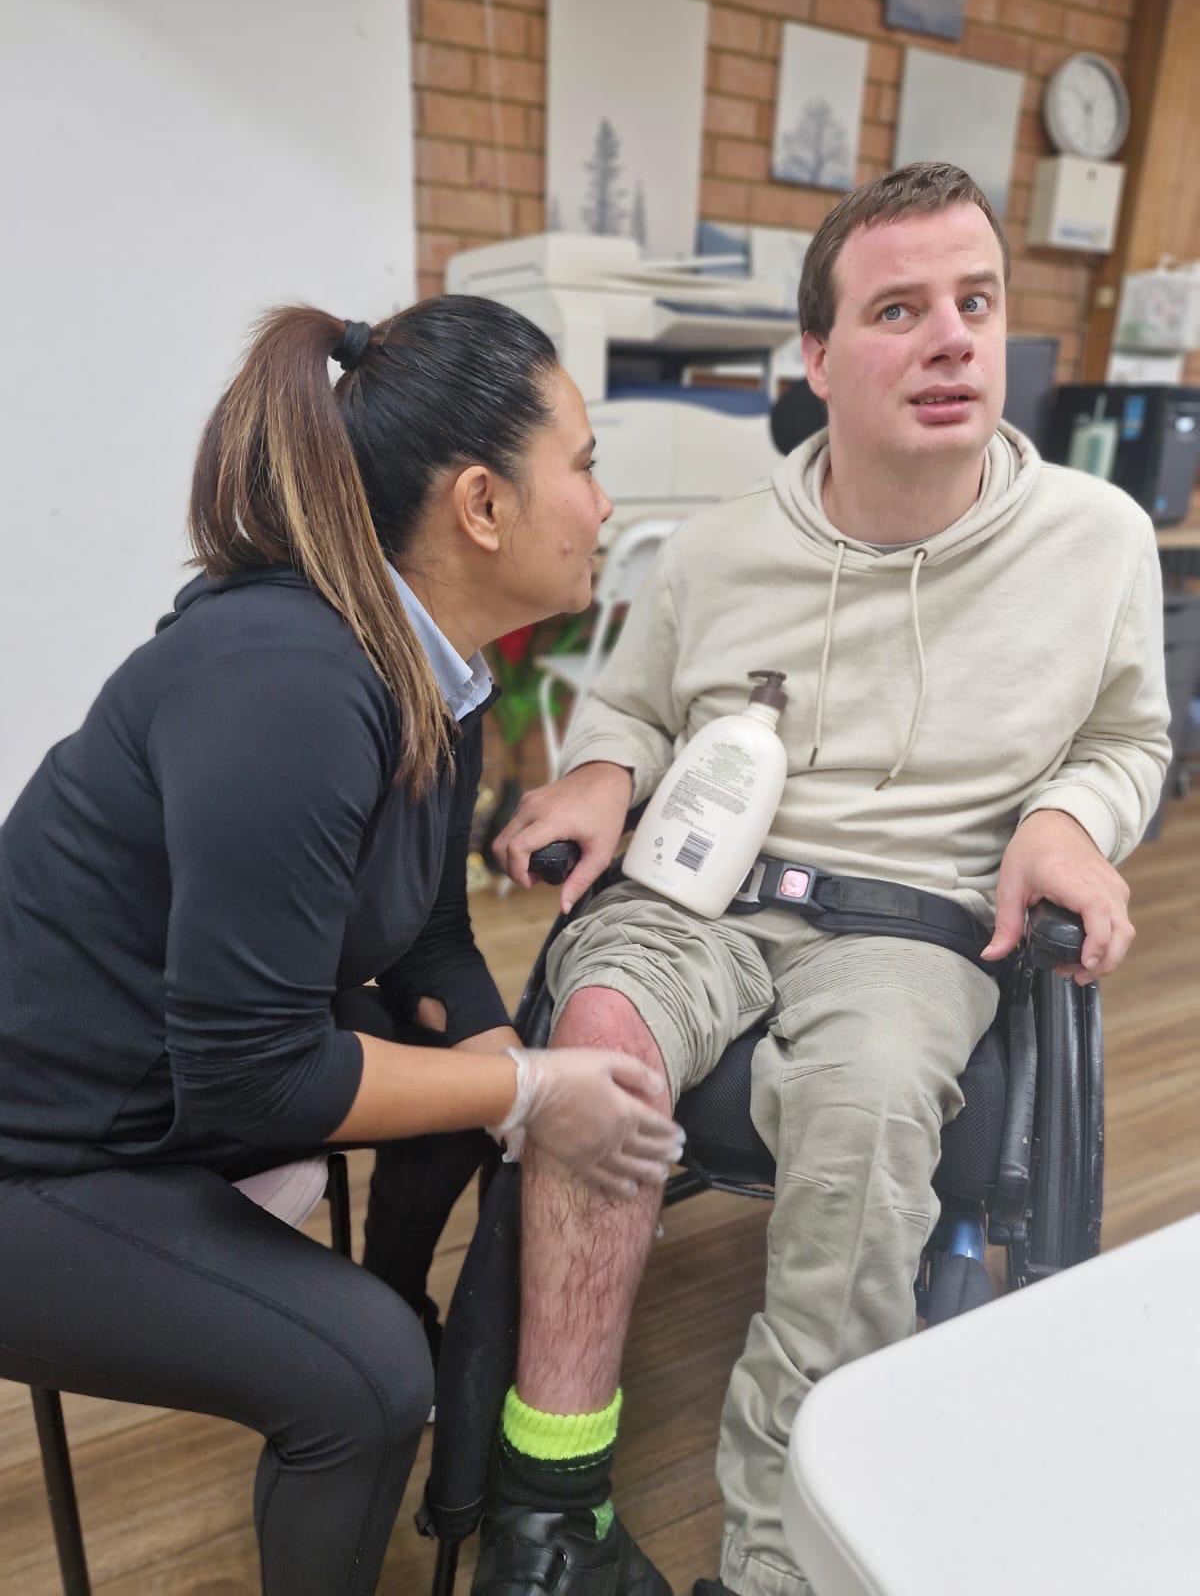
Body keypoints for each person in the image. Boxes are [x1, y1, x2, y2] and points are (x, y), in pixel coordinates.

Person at [488, 163, 1172, 1596]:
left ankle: (780, 1556)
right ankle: (549, 1512)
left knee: (861, 1122)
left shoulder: (1096, 539)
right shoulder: (721, 551)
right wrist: (606, 769)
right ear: (814, 357)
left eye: (974, 303)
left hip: (914, 930)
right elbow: (631, 709)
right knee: (592, 1043)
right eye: (900, 309)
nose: (951, 340)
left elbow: (1128, 738)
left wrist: (1069, 820)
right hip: (702, 897)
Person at [0, 295, 684, 1596]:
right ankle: (363, 1367)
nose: (603, 506)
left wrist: (506, 1084)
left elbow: (423, 943)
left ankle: (383, 1317)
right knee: (366, 1380)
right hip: (38, 1159)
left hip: (170, 1083)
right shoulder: (289, 680)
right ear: (482, 507)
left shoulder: (432, 672)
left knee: (465, 1097)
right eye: (584, 467)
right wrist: (534, 1086)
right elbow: (260, 1076)